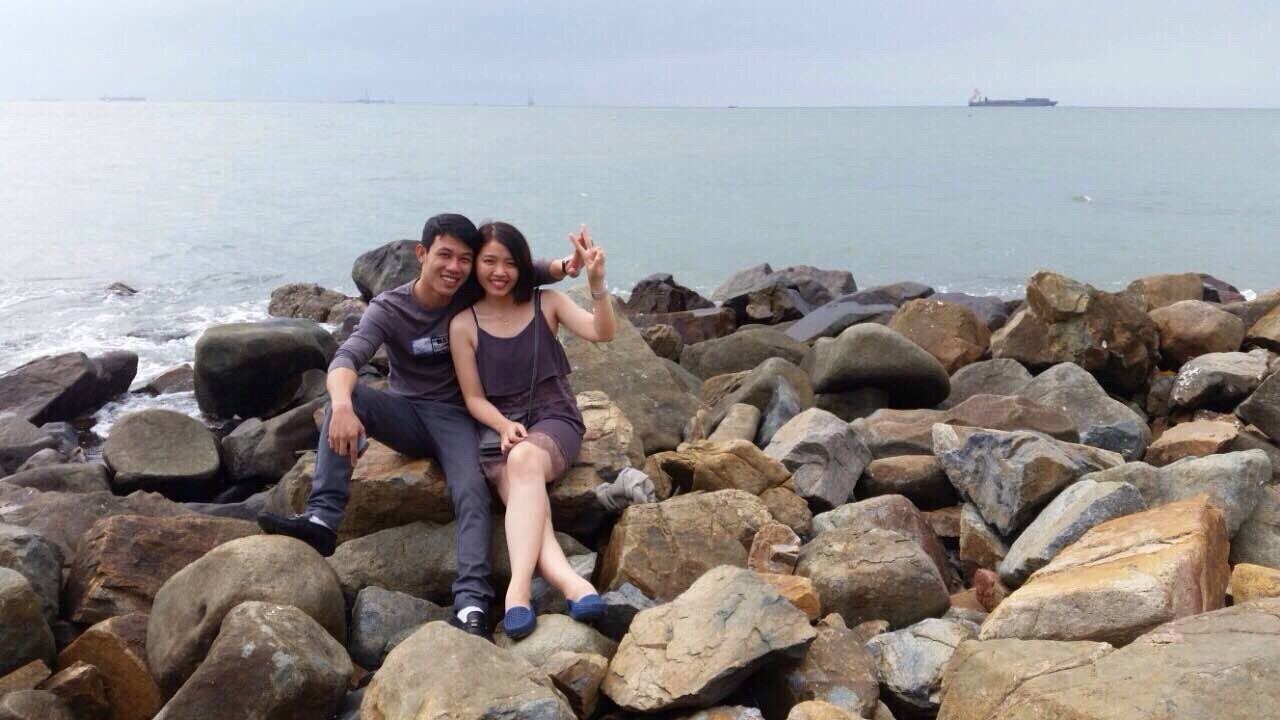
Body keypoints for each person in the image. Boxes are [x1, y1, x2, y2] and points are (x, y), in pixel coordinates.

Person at [257, 213, 585, 640]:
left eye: (464, 259)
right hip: (407, 412)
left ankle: (471, 601)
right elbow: (348, 356)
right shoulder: (390, 308)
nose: (454, 267)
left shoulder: (466, 290)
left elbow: (516, 269)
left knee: (470, 491)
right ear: (421, 253)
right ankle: (322, 518)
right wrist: (339, 404)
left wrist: (564, 266)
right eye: (444, 255)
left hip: (459, 418)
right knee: (351, 396)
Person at [449, 221, 615, 638]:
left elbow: (603, 332)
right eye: (489, 262)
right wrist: (504, 426)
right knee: (532, 518)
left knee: (524, 462)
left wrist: (596, 284)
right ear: (476, 266)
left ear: (523, 266)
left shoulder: (548, 303)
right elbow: (473, 399)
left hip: (554, 421)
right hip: (498, 434)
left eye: (509, 262)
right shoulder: (463, 325)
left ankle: (516, 592)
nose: (499, 271)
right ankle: (574, 586)